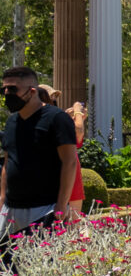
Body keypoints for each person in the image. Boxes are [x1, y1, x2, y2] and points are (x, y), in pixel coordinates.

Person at [1, 66, 79, 247]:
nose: (7, 93)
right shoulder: (11, 122)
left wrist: (61, 206)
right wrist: (2, 200)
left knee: (38, 268)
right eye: (3, 89)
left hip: (44, 209)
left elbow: (70, 162)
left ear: (32, 91)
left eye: (13, 89)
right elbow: (7, 163)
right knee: (6, 270)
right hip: (10, 210)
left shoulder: (57, 119)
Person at [37, 85, 86, 221]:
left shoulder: (56, 119)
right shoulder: (47, 121)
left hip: (72, 177)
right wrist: (77, 112)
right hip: (60, 178)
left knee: (73, 226)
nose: (53, 101)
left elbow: (77, 137)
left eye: (54, 98)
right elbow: (79, 131)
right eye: (50, 98)